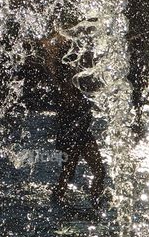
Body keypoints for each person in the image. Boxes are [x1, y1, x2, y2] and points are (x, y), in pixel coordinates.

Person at [37, 31, 108, 205]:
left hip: (79, 129)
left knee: (84, 172)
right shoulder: (65, 78)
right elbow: (71, 103)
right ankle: (84, 199)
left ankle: (92, 198)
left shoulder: (71, 75)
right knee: (73, 172)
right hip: (72, 131)